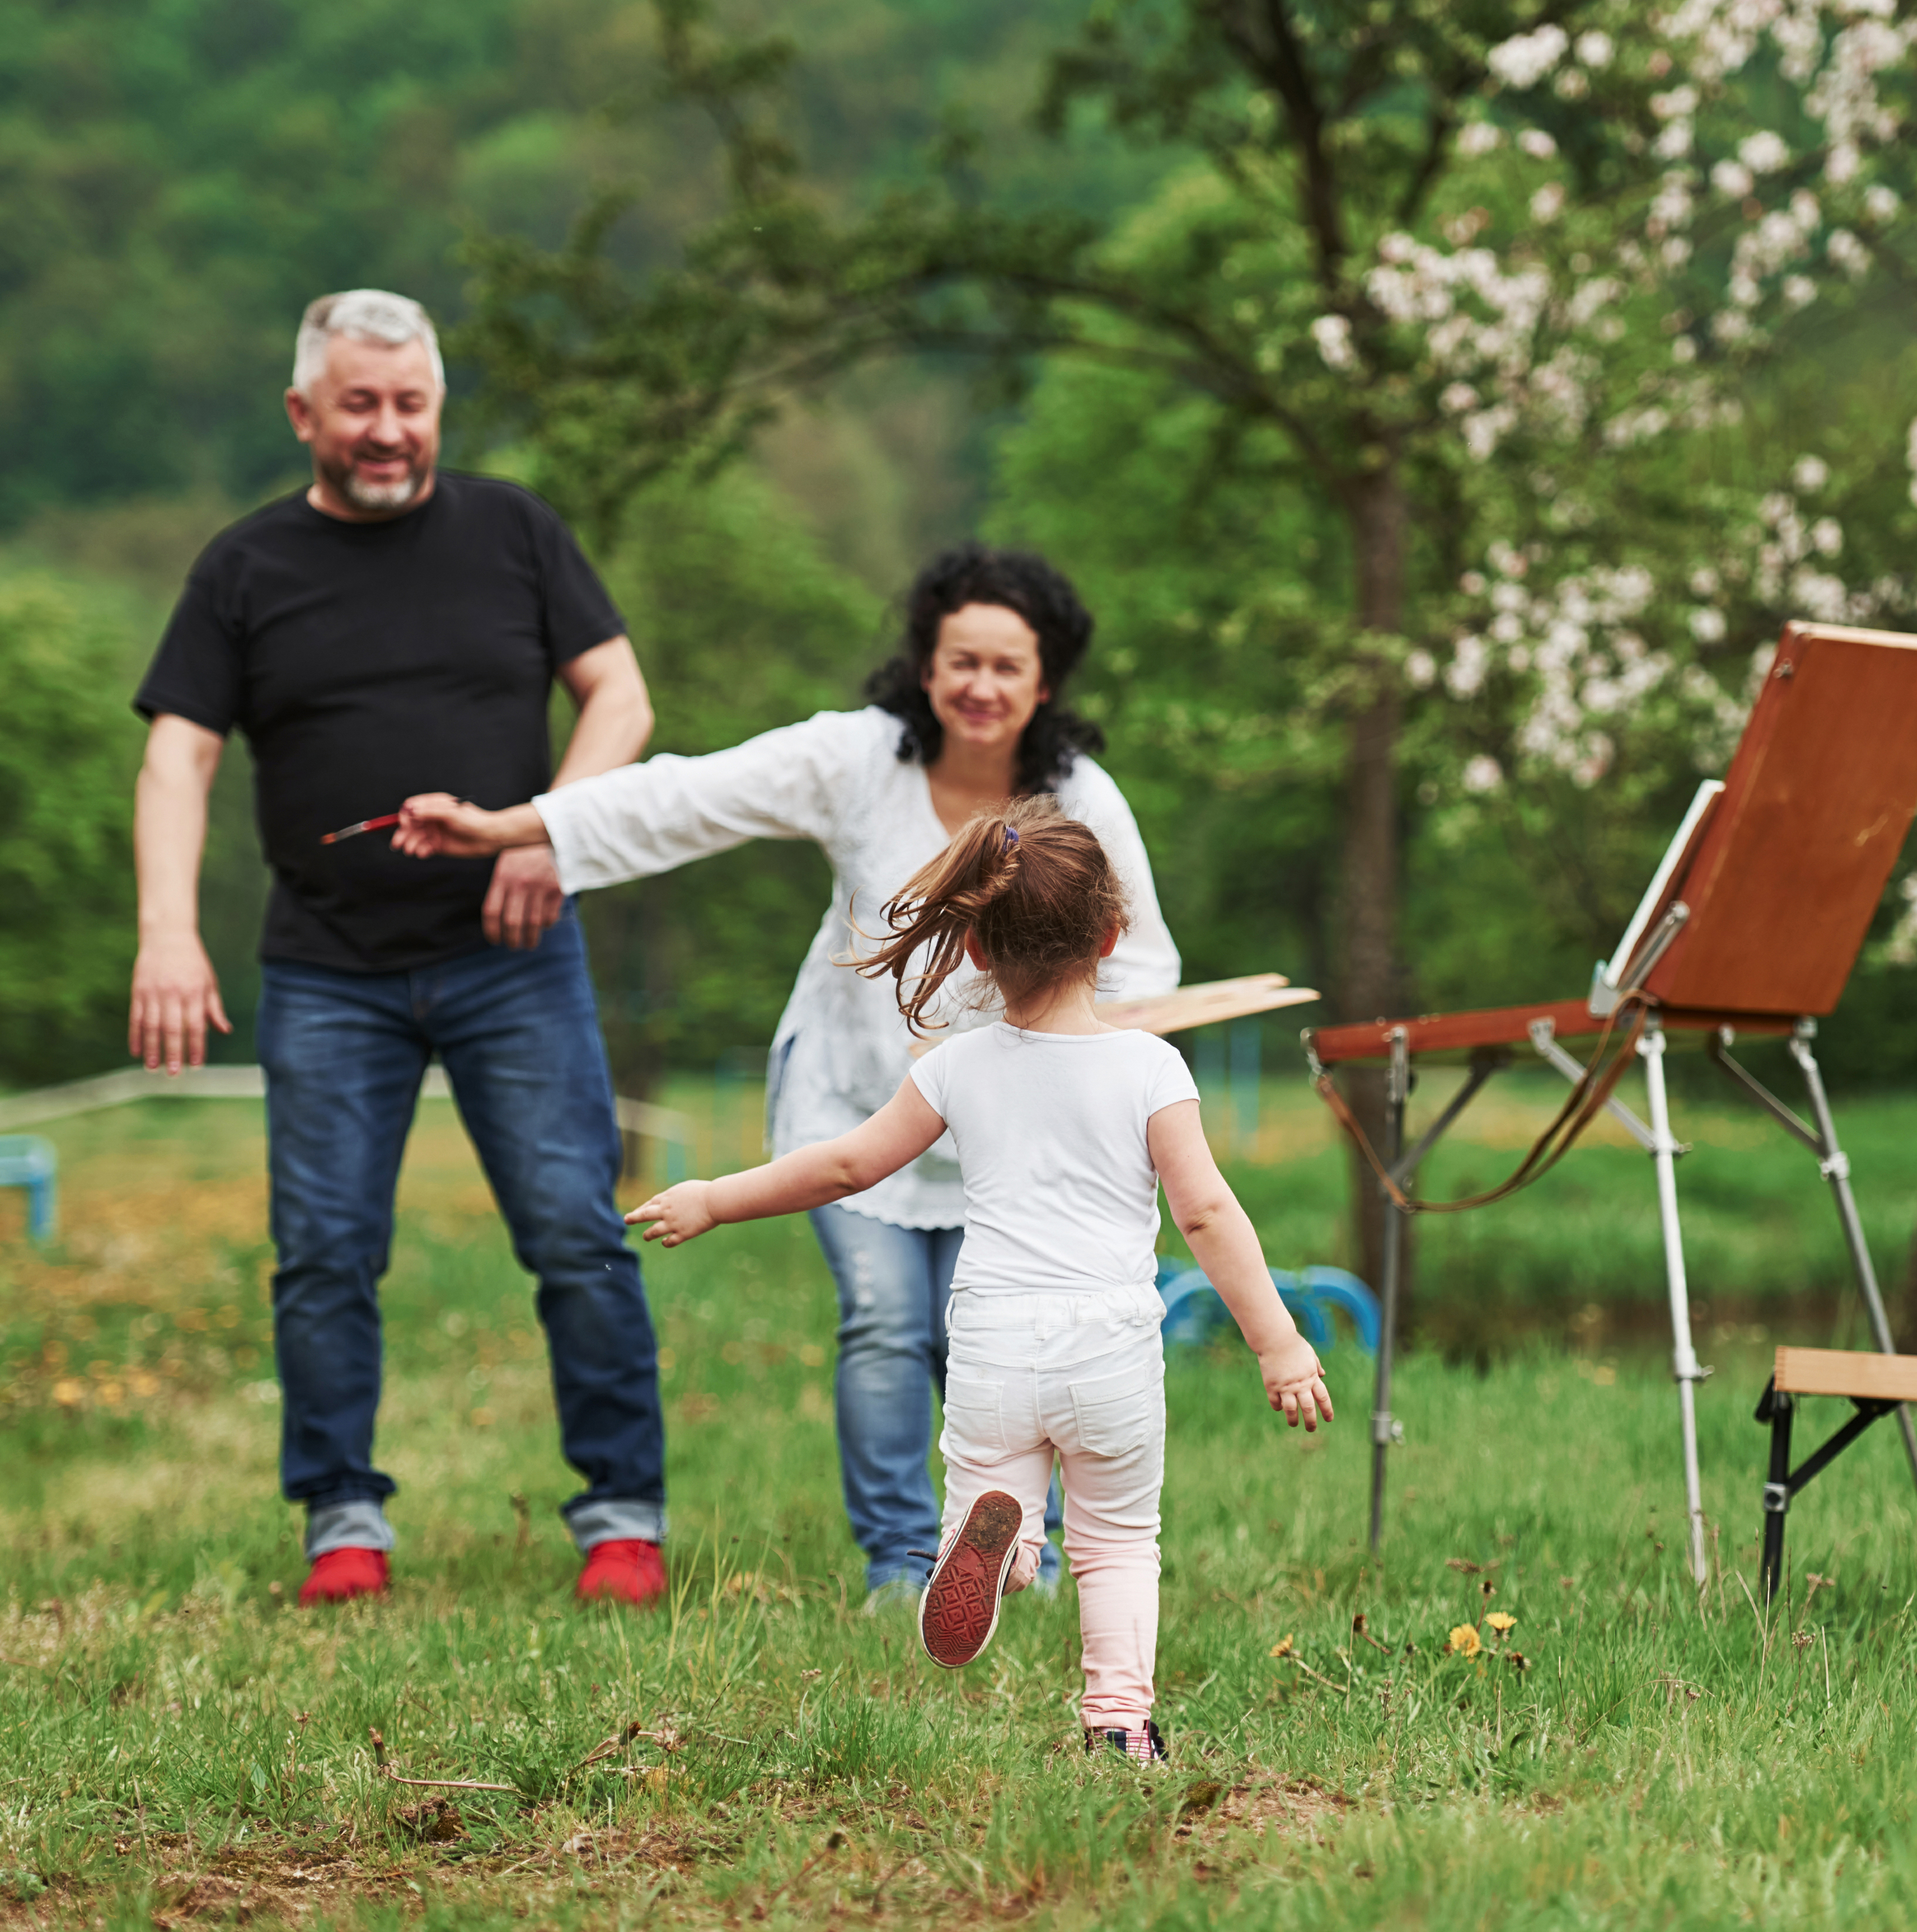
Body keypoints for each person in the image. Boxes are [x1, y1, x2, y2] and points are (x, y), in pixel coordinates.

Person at [393, 545, 1178, 1602]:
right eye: (960, 661)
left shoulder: (1078, 796)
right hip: (853, 1103)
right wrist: (511, 828)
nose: (980, 687)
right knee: (884, 1323)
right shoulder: (857, 761)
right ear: (926, 665)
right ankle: (902, 1561)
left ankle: (1013, 1552)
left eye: (1007, 666)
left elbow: (1142, 960)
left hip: (1012, 1126)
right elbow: (683, 798)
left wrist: (1083, 1057)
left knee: (1003, 1332)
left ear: (1044, 682)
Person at [128, 288, 670, 1608]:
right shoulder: (243, 570)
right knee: (324, 1250)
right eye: (359, 405)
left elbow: (621, 693)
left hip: (516, 950)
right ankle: (342, 1520)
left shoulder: (516, 533)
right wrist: (166, 932)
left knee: (570, 1227)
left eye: (410, 404)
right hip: (324, 965)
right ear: (305, 412)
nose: (387, 431)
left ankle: (622, 1515)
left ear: (438, 406)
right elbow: (177, 753)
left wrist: (551, 832)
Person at [621, 799, 1331, 1762]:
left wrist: (714, 1195)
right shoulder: (1150, 1068)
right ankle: (1119, 1725)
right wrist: (1277, 1342)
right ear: (1112, 938)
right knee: (1119, 1543)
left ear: (979, 952)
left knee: (989, 1485)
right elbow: (1206, 1213)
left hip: (994, 1338)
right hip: (1112, 1347)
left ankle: (995, 1552)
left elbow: (843, 1167)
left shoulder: (955, 1067)